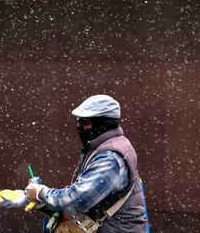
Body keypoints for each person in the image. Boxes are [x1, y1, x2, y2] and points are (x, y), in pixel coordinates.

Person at [25, 94, 147, 232]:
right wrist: (33, 199)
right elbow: (79, 197)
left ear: (103, 124)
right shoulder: (99, 147)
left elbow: (76, 201)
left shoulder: (110, 157)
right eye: (79, 122)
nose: (79, 127)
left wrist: (40, 193)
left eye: (85, 123)